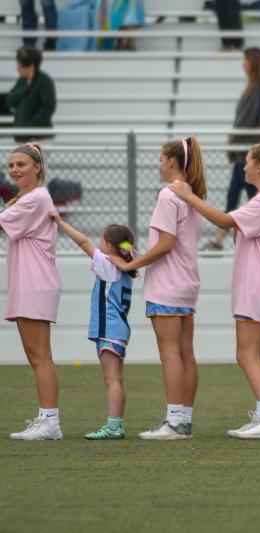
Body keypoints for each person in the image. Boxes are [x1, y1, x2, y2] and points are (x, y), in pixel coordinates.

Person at [169, 139, 260, 440]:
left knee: (246, 354)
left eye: (248, 161)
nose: (243, 166)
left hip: (256, 287)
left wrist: (188, 196)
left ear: (259, 167)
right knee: (259, 355)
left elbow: (223, 220)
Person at [109, 136, 206, 440]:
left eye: (161, 159)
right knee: (186, 353)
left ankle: (174, 422)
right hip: (187, 283)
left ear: (172, 161)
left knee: (170, 354)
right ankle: (183, 421)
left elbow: (165, 245)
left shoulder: (168, 194)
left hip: (167, 284)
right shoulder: (191, 193)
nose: (159, 164)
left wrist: (131, 264)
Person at [51, 215, 137, 440]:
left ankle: (114, 427)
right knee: (117, 380)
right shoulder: (125, 267)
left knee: (112, 380)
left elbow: (83, 242)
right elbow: (127, 248)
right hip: (118, 329)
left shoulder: (108, 265)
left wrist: (60, 222)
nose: (99, 245)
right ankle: (117, 425)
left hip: (109, 329)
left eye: (102, 241)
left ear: (109, 246)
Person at [1, 143, 62, 440]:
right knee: (36, 355)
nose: (14, 169)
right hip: (30, 282)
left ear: (37, 167)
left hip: (34, 283)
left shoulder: (35, 198)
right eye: (11, 165)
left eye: (21, 164)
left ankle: (50, 423)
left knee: (39, 356)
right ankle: (46, 420)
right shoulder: (27, 198)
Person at [205, 47, 260, 250]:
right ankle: (221, 238)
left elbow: (244, 121)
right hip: (248, 151)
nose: (243, 64)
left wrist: (232, 141)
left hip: (248, 152)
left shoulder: (256, 90)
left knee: (250, 195)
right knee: (237, 194)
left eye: (246, 60)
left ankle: (225, 238)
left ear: (253, 63)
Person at [7, 46, 56, 143]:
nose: (17, 69)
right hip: (22, 137)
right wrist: (26, 88)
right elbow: (10, 100)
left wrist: (31, 125)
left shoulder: (44, 81)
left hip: (40, 138)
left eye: (20, 66)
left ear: (31, 67)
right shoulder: (22, 80)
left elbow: (48, 107)